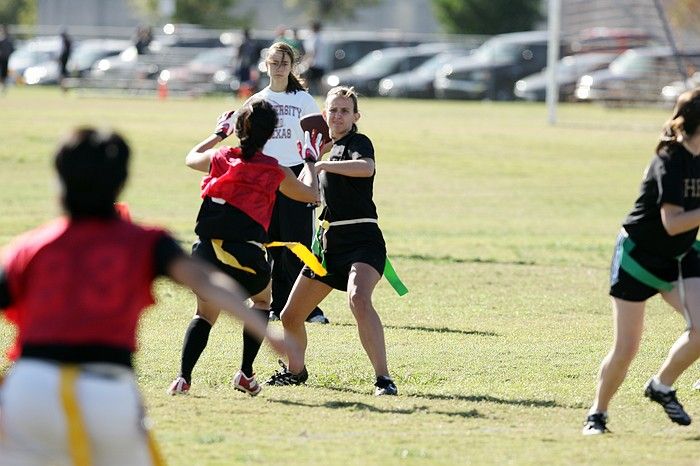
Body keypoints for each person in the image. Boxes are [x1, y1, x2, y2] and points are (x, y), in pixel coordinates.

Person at [0, 127, 291, 465]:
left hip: (29, 387)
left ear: (59, 181)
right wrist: (268, 332)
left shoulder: (28, 248)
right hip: (106, 390)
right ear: (122, 181)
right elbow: (207, 281)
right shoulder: (145, 242)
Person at [167, 99, 321, 396]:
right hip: (245, 253)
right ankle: (246, 373)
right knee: (263, 301)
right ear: (272, 133)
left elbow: (191, 157)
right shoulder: (274, 170)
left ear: (238, 130)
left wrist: (218, 133)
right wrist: (311, 161)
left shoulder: (221, 157)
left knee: (204, 314)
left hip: (206, 251)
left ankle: (183, 379)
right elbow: (311, 195)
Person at [265, 86, 398, 396]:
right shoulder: (321, 149)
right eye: (333, 110)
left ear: (355, 117)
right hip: (328, 246)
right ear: (324, 115)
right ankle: (296, 372)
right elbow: (309, 194)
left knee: (358, 298)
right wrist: (311, 161)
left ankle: (383, 380)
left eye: (344, 111)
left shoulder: (358, 142)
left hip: (363, 240)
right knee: (290, 315)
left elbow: (366, 169)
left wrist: (324, 164)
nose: (337, 116)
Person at [582, 88, 700, 435]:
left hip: (679, 256)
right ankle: (597, 414)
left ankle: (661, 385)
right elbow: (672, 222)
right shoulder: (669, 159)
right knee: (627, 348)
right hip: (639, 257)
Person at [216, 41, 329, 324]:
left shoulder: (302, 100)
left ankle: (302, 307)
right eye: (275, 62)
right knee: (267, 242)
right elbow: (242, 139)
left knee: (297, 241)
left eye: (285, 63)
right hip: (262, 175)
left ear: (292, 67)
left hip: (295, 173)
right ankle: (270, 302)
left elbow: (319, 138)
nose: (279, 67)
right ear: (265, 64)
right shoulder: (255, 101)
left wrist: (311, 168)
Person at [302, 21, 328, 96]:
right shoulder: (321, 38)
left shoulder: (315, 38)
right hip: (321, 63)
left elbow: (313, 51)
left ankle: (303, 95)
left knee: (306, 81)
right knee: (320, 82)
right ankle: (324, 97)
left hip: (314, 64)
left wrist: (306, 60)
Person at [0, 24, 14, 94]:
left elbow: (12, 49)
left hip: (5, 59)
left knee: (4, 74)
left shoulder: (9, 41)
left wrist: (8, 54)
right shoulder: (2, 40)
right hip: (2, 59)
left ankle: (4, 87)